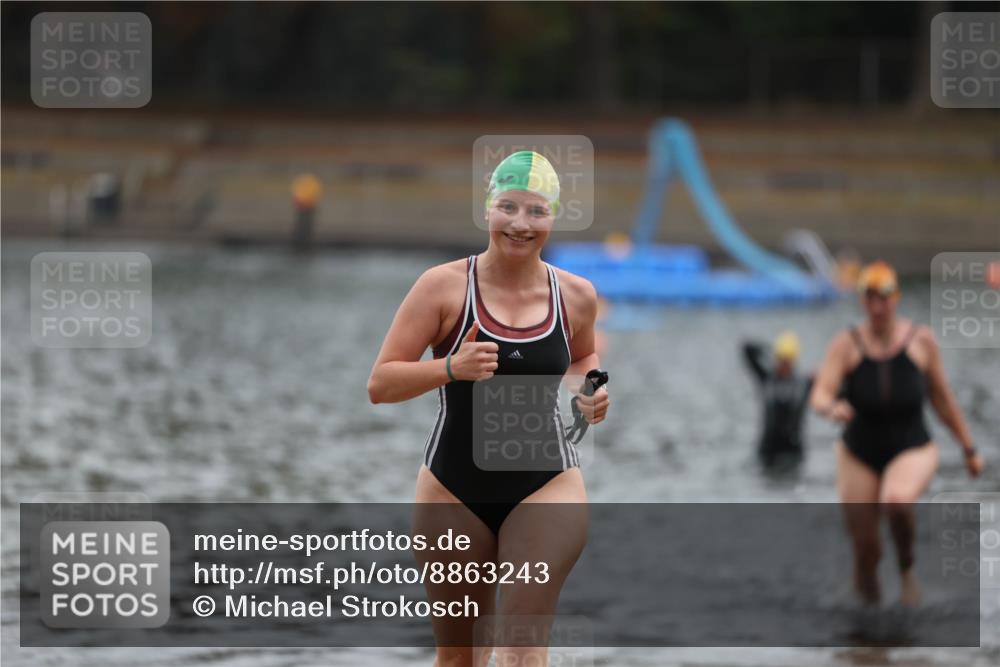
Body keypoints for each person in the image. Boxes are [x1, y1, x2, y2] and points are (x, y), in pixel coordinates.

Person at [368, 150, 609, 666]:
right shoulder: (443, 287)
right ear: (487, 211)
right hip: (454, 488)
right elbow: (381, 384)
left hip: (547, 483)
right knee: (461, 660)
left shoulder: (577, 295)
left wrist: (587, 391)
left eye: (536, 212)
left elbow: (584, 356)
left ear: (553, 218)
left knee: (522, 653)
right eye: (508, 208)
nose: (521, 224)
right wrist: (450, 368)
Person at [810, 260, 984, 606]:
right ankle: (867, 633)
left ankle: (907, 571)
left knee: (897, 499)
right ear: (862, 301)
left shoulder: (921, 341)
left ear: (896, 298)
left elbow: (943, 401)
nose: (877, 306)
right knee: (866, 550)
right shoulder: (847, 344)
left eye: (884, 298)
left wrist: (968, 449)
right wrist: (832, 408)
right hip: (858, 452)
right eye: (870, 298)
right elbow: (820, 393)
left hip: (912, 446)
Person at [741, 331, 812, 468]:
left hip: (793, 451)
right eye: (781, 359)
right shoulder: (766, 378)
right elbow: (746, 349)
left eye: (788, 360)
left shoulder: (804, 384)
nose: (784, 364)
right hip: (768, 450)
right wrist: (768, 348)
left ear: (794, 360)